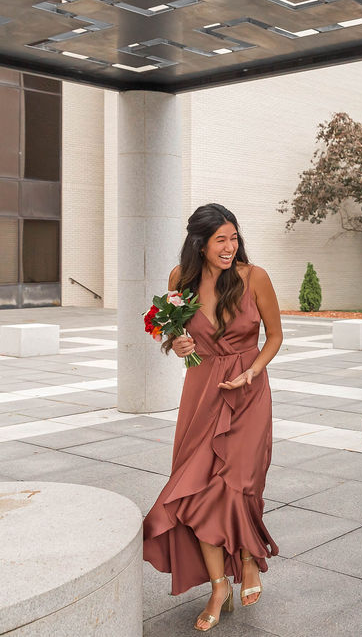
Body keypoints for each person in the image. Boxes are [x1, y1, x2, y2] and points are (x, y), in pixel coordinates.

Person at [143, 203, 282, 632]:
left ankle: (247, 558)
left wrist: (252, 372)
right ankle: (219, 585)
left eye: (234, 237)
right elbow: (174, 333)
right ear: (200, 244)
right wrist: (177, 344)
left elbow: (275, 336)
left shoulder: (253, 277)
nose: (229, 247)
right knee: (197, 490)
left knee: (238, 485)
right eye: (221, 239)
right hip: (201, 391)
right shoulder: (178, 281)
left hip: (248, 392)